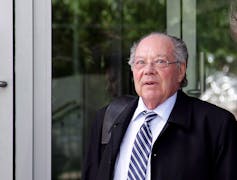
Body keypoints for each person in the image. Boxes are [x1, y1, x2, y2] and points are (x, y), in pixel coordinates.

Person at [82, 32, 237, 180]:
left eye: (160, 62)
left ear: (181, 70)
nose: (148, 70)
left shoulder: (217, 125)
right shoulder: (106, 119)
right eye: (140, 62)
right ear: (133, 70)